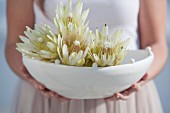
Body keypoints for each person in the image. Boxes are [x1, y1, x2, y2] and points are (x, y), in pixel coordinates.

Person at [6, 0, 168, 113]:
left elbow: (157, 44)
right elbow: (14, 44)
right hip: (47, 96)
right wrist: (33, 77)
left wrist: (139, 78)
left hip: (125, 98)